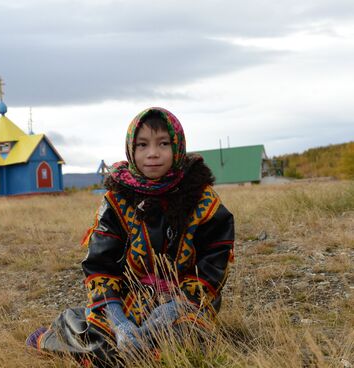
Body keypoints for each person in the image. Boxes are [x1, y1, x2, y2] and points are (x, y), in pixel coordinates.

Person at [26, 107, 235, 366]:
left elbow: (214, 264)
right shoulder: (117, 200)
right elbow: (100, 268)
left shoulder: (203, 199)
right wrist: (120, 324)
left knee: (185, 341)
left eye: (163, 143)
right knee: (103, 341)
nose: (153, 153)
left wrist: (173, 308)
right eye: (143, 145)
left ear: (178, 147)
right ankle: (70, 332)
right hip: (128, 301)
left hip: (185, 303)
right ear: (131, 150)